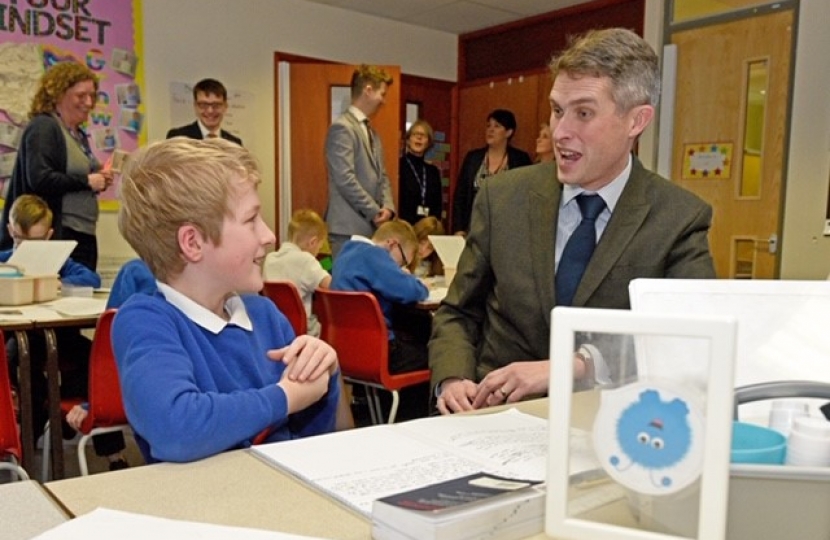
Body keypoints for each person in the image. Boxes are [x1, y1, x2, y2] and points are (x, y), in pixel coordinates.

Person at [430, 28, 716, 414]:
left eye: (583, 113)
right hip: (493, 417)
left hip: (608, 425)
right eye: (557, 110)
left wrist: (574, 366)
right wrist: (452, 379)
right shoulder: (503, 197)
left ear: (636, 121)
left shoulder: (678, 219)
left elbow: (686, 339)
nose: (561, 132)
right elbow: (459, 311)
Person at [112, 137, 340, 463]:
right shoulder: (146, 320)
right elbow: (176, 429)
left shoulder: (265, 314)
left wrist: (324, 372)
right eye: (251, 220)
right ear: (192, 243)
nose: (269, 235)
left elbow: (306, 445)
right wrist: (285, 397)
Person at [1, 195, 129, 469]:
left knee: (89, 357)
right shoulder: (5, 261)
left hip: (60, 338)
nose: (27, 248)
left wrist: (58, 281)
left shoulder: (59, 262)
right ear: (11, 231)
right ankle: (26, 453)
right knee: (20, 364)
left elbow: (90, 279)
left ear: (48, 236)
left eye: (36, 242)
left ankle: (112, 453)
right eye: (21, 240)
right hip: (22, 339)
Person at [0, 62, 114, 271]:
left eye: (92, 96)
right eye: (81, 96)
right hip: (57, 234)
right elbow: (40, 178)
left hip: (82, 231)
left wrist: (99, 178)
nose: (89, 102)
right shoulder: (44, 127)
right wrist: (87, 181)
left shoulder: (78, 134)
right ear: (58, 94)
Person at [331, 221, 428, 375]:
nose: (399, 268)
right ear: (392, 244)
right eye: (402, 261)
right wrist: (416, 283)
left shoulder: (346, 251)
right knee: (434, 355)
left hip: (346, 348)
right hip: (377, 352)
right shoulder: (373, 255)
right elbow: (411, 291)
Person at [325, 64, 395, 259]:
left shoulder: (373, 134)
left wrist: (388, 208)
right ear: (368, 90)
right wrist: (374, 211)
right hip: (348, 230)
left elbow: (383, 177)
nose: (384, 101)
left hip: (371, 229)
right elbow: (344, 178)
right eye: (382, 94)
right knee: (349, 289)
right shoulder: (342, 128)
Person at [451, 109, 532, 235]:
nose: (490, 130)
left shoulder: (520, 159)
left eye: (497, 126)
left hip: (507, 231)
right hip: (473, 229)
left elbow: (526, 197)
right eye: (488, 125)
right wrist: (458, 228)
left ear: (509, 132)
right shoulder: (473, 158)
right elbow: (460, 196)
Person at [262, 209, 332, 337]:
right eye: (319, 247)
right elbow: (332, 286)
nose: (318, 252)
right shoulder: (306, 260)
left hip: (275, 327)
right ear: (313, 242)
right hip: (304, 332)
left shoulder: (270, 259)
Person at [166, 78, 242, 145]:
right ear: (195, 106)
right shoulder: (177, 138)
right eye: (204, 105)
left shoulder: (235, 143)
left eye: (216, 105)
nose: (210, 111)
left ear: (225, 107)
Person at [398, 120, 443, 225]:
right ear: (408, 140)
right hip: (404, 227)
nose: (419, 138)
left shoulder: (433, 172)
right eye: (415, 134)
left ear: (428, 142)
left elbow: (438, 206)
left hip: (427, 228)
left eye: (423, 135)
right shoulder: (399, 166)